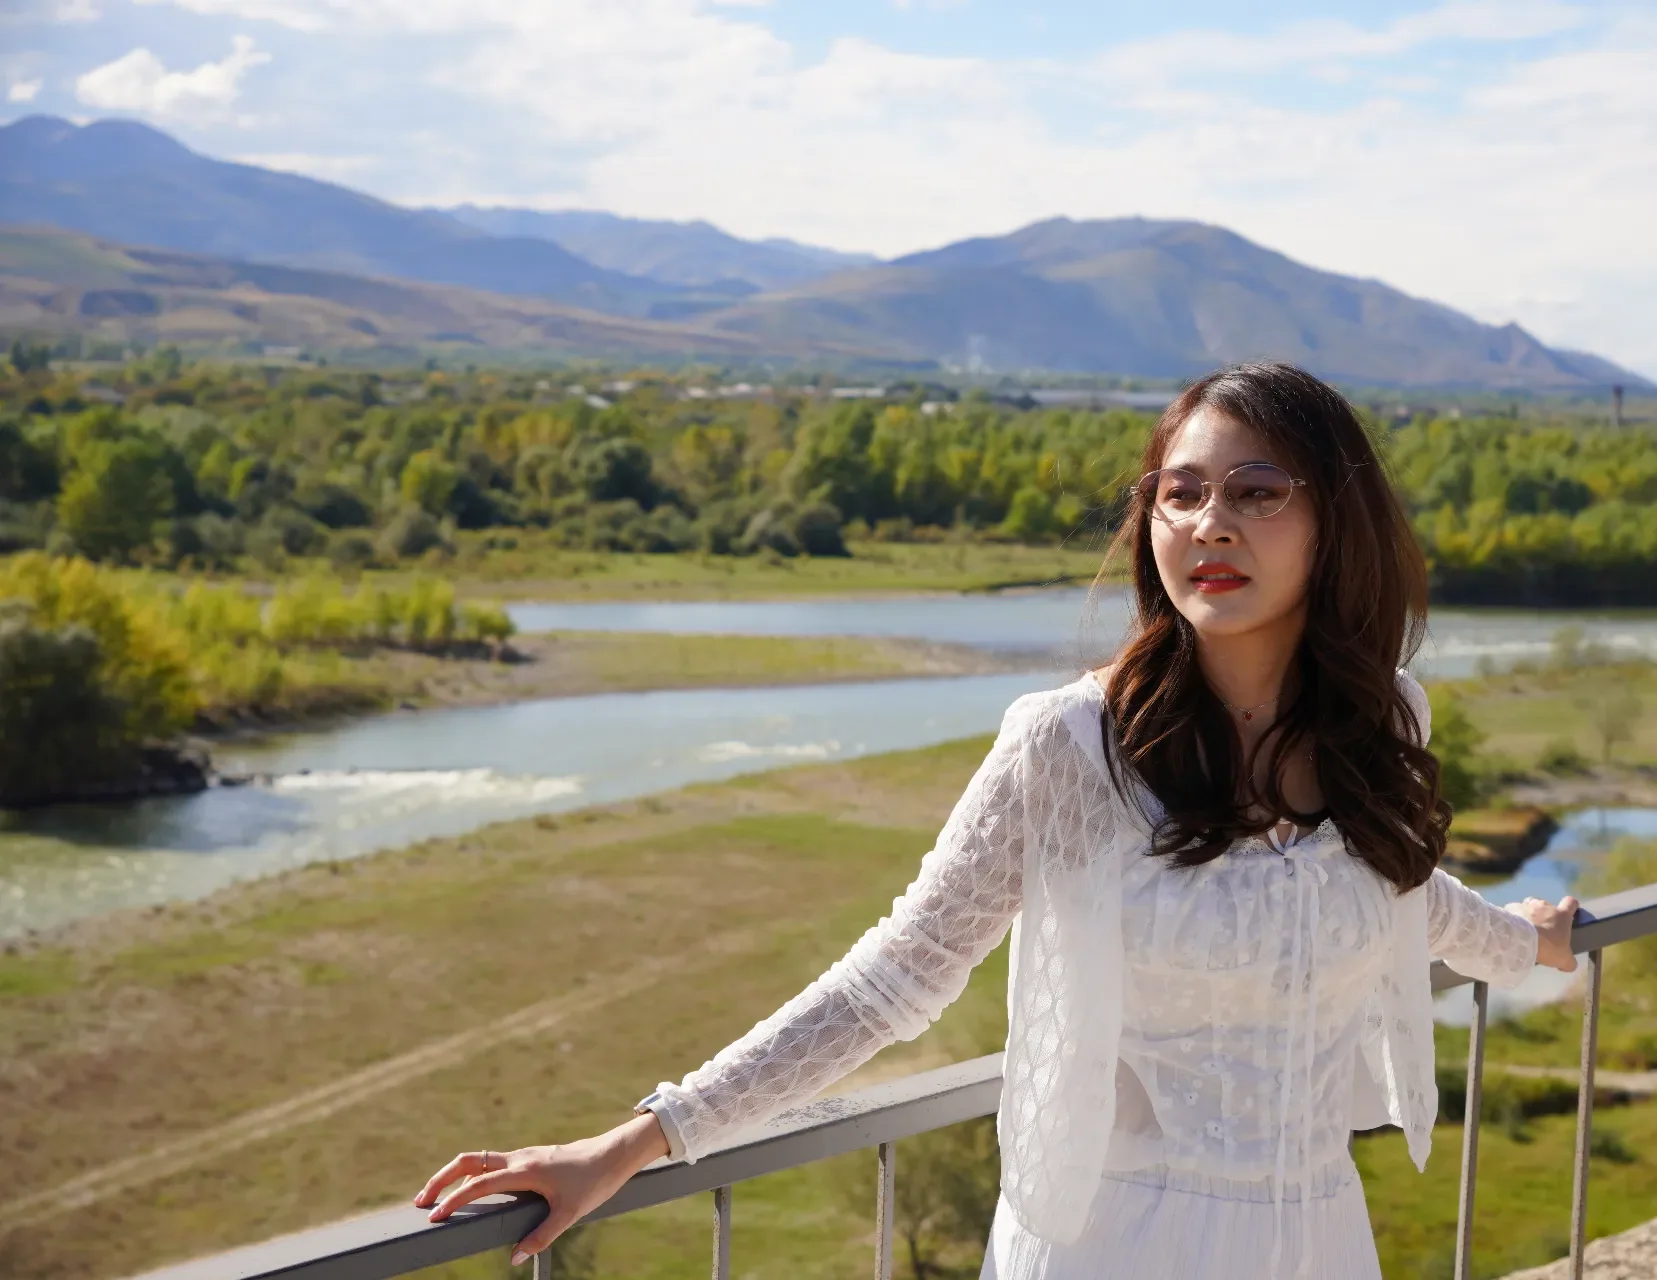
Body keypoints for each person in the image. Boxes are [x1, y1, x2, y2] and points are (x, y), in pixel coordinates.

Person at [415, 362, 1579, 1278]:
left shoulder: (1388, 720)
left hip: (1317, 1235)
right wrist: (636, 1139)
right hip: (1111, 1244)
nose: (1209, 523)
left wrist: (1527, 943)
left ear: (1337, 522)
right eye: (1180, 492)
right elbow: (896, 976)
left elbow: (1391, 887)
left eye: (1257, 491)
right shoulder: (1070, 747)